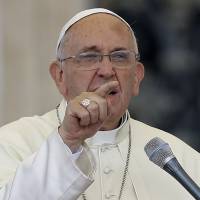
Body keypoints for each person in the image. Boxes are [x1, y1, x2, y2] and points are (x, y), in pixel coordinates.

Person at [0, 8, 199, 200]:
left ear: (137, 77)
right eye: (89, 56)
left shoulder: (180, 160)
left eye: (120, 56)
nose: (106, 70)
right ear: (60, 76)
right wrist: (68, 140)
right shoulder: (13, 143)